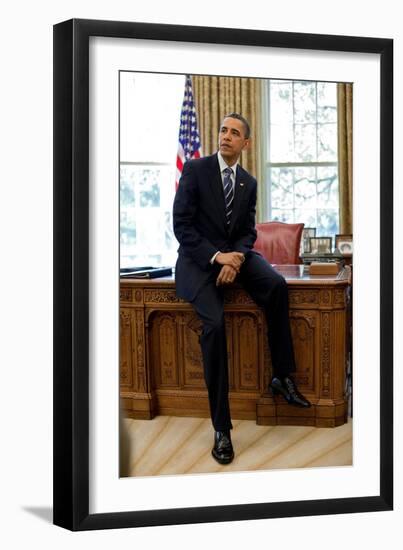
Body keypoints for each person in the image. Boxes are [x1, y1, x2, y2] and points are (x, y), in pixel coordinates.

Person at [173, 113, 310, 465]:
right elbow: (182, 227)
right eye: (223, 130)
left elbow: (248, 231)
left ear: (245, 143)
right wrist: (219, 258)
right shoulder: (195, 170)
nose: (226, 136)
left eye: (234, 133)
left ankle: (281, 375)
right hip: (197, 260)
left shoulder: (248, 182)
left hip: (235, 254)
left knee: (277, 285)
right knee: (215, 325)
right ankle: (222, 427)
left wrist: (235, 259)